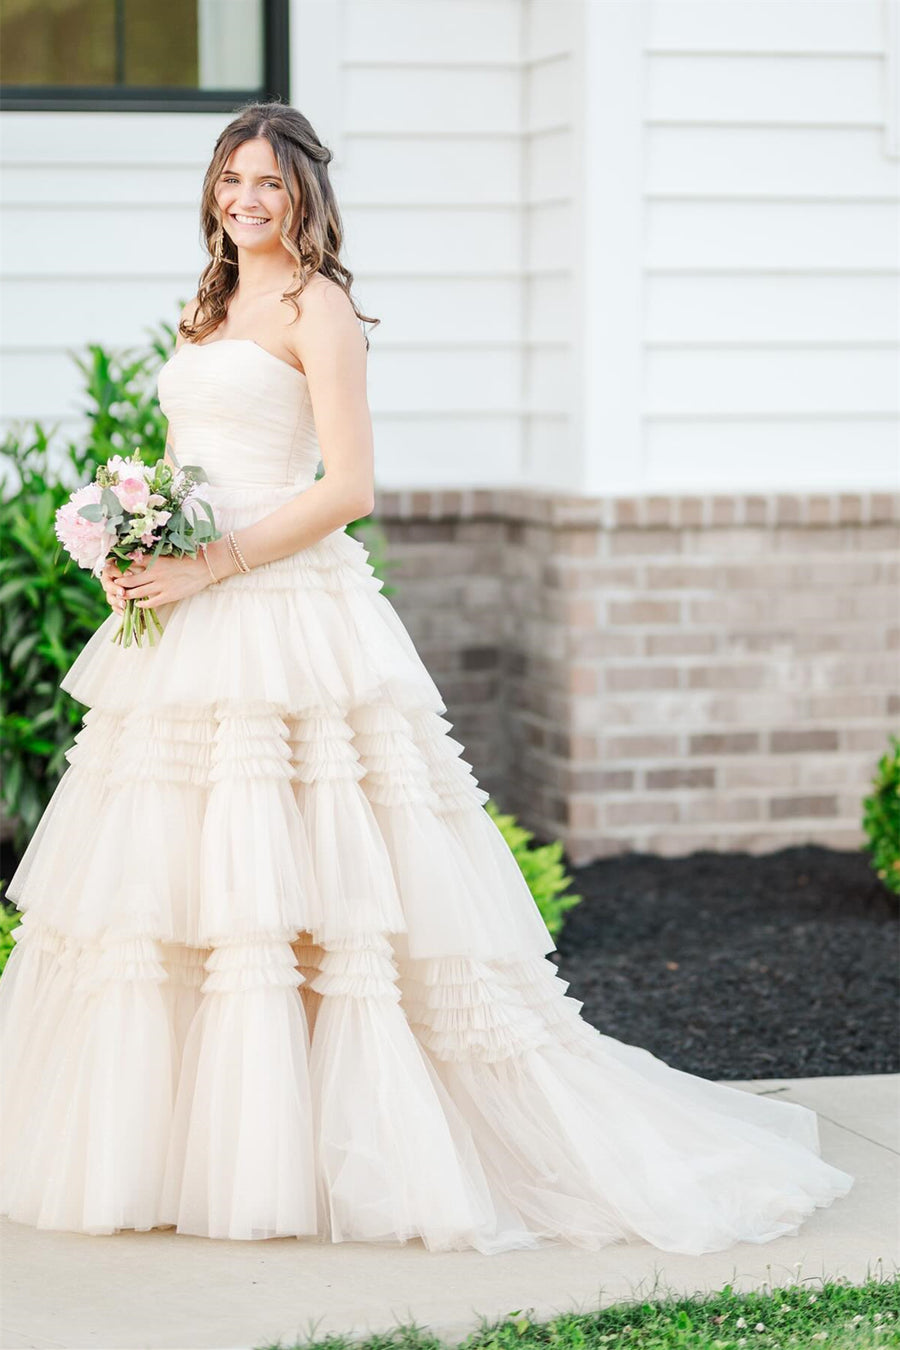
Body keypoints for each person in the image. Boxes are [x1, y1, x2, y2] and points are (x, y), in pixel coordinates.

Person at [0, 102, 853, 1253]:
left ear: (305, 193)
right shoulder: (212, 304)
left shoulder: (322, 309)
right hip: (191, 614)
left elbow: (347, 486)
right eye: (230, 180)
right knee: (190, 891)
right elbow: (196, 458)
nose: (246, 200)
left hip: (282, 609)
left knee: (315, 895)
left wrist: (208, 564)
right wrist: (137, 540)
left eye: (268, 183)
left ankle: (346, 1146)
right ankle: (208, 1142)